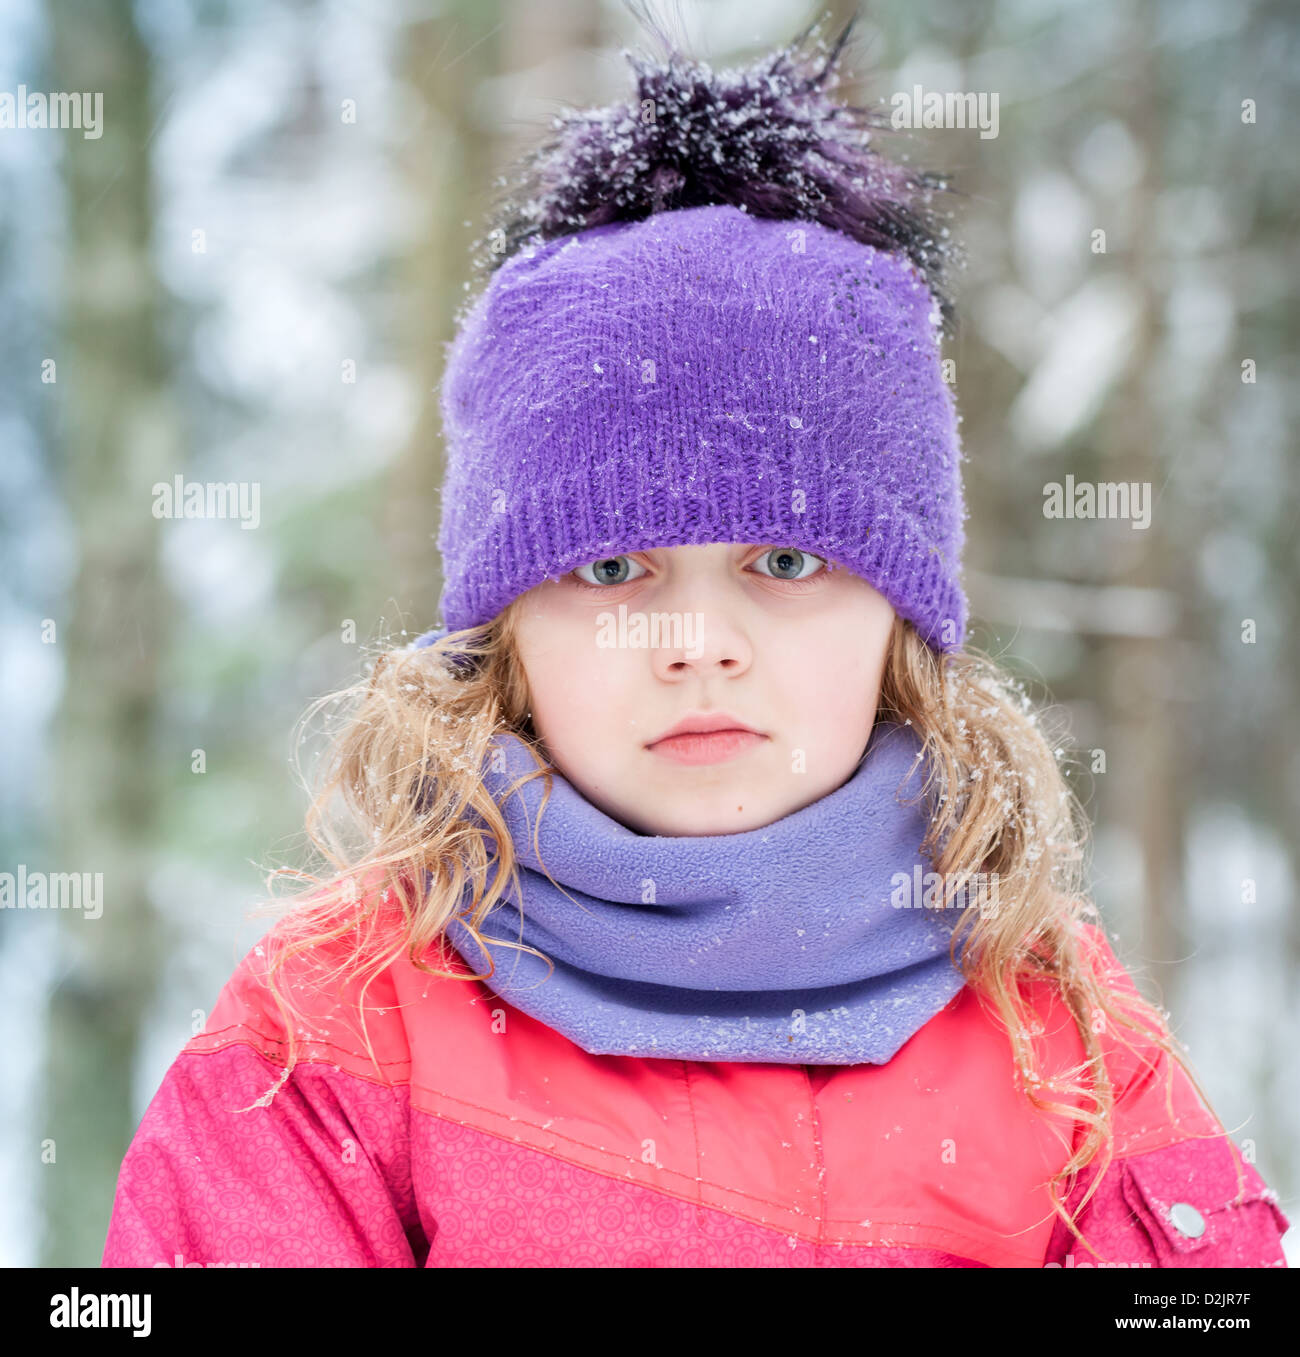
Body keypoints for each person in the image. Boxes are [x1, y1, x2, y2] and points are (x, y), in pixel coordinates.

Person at [101, 17, 1289, 1269]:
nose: (696, 642)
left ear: (900, 614)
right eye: (612, 567)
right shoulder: (325, 1039)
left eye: (784, 561)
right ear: (504, 628)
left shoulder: (1058, 1028)